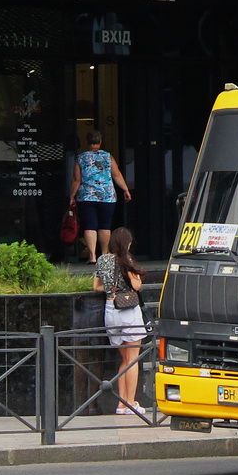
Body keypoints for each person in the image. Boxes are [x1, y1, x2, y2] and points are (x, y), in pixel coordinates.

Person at [94, 226, 146, 415]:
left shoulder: (102, 260)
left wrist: (111, 289)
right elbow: (136, 286)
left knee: (124, 359)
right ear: (127, 243)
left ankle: (121, 404)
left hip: (110, 310)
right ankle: (131, 403)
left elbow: (96, 286)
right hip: (128, 311)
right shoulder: (127, 259)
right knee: (133, 359)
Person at [69, 129, 131, 263]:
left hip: (87, 196)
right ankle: (104, 254)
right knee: (105, 225)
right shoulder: (108, 157)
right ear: (100, 142)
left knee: (90, 226)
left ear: (87, 142)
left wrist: (72, 196)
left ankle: (92, 256)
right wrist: (125, 189)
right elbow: (116, 174)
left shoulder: (81, 158)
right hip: (107, 196)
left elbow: (77, 180)